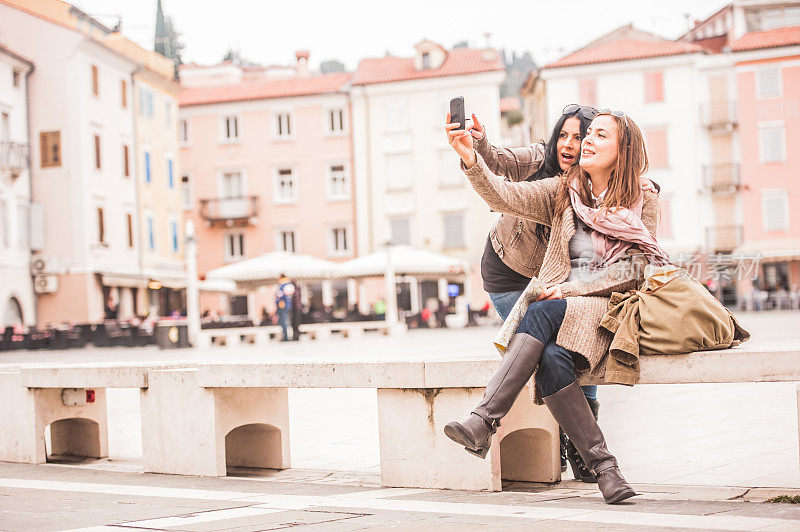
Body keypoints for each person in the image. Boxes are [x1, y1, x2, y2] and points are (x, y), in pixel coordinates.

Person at [443, 109, 668, 504]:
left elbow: (635, 269)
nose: (586, 142)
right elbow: (505, 194)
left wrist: (568, 291)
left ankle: (483, 420)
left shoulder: (642, 198)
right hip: (561, 308)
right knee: (549, 359)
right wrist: (470, 159)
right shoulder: (564, 190)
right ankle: (606, 472)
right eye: (587, 134)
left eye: (599, 135)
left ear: (623, 150)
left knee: (540, 311)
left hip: (605, 308)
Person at [274, 274, 295, 341]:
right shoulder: (287, 285)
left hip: (283, 306)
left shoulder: (284, 285)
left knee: (284, 322)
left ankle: (286, 337)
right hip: (284, 306)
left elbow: (281, 295)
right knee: (283, 321)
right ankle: (285, 336)